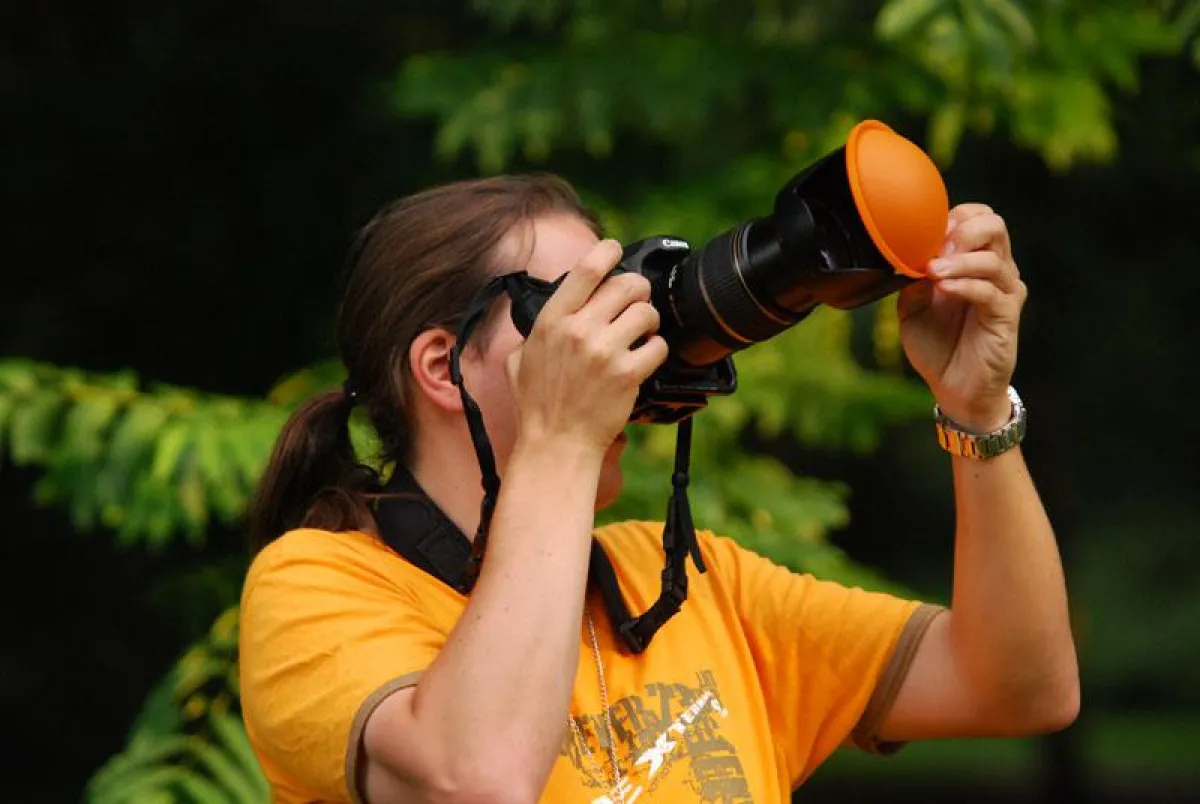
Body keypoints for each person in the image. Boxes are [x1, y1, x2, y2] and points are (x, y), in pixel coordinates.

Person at [238, 174, 1079, 803]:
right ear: (442, 370)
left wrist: (975, 413)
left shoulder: (689, 583)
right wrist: (562, 438)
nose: (620, 349)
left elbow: (1020, 686)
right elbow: (476, 781)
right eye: (573, 316)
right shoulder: (316, 587)